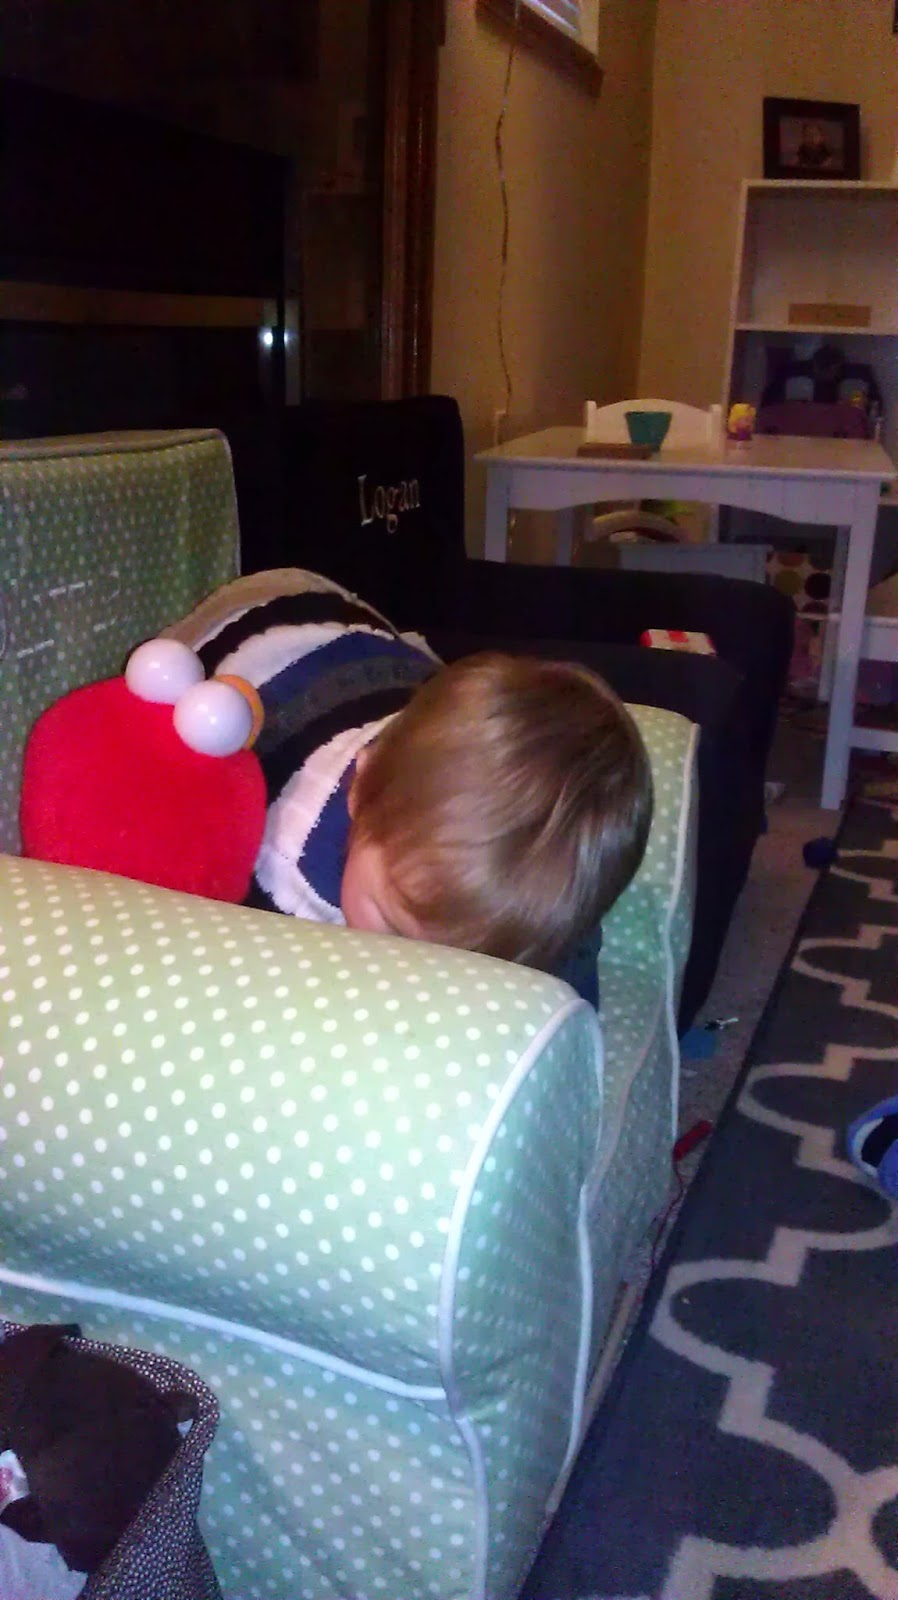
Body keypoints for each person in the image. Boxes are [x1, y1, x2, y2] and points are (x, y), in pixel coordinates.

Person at [165, 568, 653, 974]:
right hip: (249, 628)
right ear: (359, 791)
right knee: (166, 699)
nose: (410, 964)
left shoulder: (533, 904)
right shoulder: (288, 864)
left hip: (368, 664)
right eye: (392, 926)